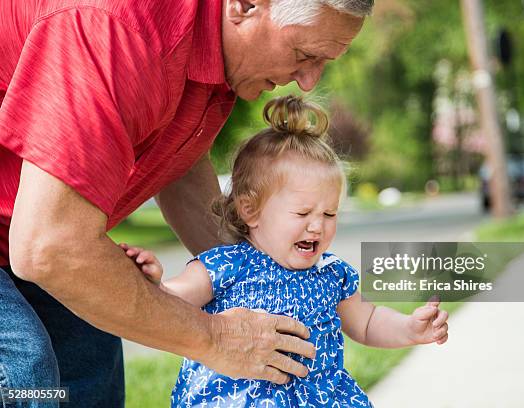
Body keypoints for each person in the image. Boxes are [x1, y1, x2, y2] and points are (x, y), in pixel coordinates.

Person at [0, 0, 372, 406]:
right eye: (304, 55)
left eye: (324, 61)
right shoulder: (121, 29)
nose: (307, 81)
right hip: (37, 237)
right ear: (246, 5)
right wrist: (214, 338)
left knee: (90, 369)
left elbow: (178, 161)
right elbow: (48, 246)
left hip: (25, 234)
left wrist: (262, 277)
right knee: (24, 370)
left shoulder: (220, 57)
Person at [121, 95, 450, 407]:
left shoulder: (331, 274)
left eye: (329, 214)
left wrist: (409, 328)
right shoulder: (225, 265)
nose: (317, 226)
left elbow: (367, 322)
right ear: (251, 210)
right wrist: (156, 282)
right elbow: (174, 301)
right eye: (303, 213)